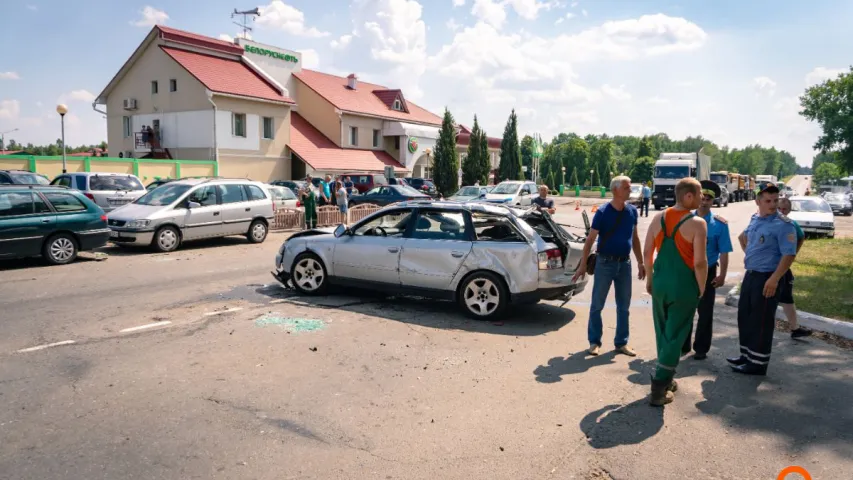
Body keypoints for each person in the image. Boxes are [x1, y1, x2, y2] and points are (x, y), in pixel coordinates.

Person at [643, 177, 708, 406]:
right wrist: (701, 288)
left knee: (662, 331)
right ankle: (659, 388)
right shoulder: (698, 223)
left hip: (661, 281)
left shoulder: (658, 217)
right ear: (688, 196)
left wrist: (650, 279)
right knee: (675, 334)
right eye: (700, 194)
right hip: (684, 284)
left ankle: (667, 378)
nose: (702, 199)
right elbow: (700, 262)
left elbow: (647, 251)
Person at [573, 175, 645, 357]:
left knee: (624, 306)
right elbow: (590, 240)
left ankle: (621, 343)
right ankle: (594, 342)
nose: (630, 191)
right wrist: (582, 265)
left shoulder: (632, 211)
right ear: (616, 190)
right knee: (597, 304)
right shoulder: (603, 212)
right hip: (605, 263)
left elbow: (634, 238)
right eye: (627, 188)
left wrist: (641, 262)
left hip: (625, 264)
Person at [729, 183, 797, 375]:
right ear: (757, 201)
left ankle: (757, 364)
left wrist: (775, 279)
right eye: (768, 200)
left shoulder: (783, 225)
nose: (773, 204)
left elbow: (789, 255)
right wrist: (751, 256)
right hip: (752, 275)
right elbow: (744, 238)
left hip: (768, 278)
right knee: (746, 317)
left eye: (775, 200)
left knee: (761, 321)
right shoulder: (755, 218)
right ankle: (746, 356)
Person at [682, 180, 732, 360]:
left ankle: (701, 348)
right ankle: (683, 345)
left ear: (713, 201)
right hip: (687, 271)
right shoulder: (686, 219)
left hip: (709, 272)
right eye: (702, 197)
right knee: (685, 309)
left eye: (709, 198)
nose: (704, 201)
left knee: (705, 312)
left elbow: (724, 252)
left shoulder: (720, 224)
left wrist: (722, 276)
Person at [777, 197, 812, 338]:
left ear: (789, 210)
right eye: (779, 208)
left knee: (787, 298)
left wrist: (794, 254)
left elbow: (801, 236)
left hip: (783, 267)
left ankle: (794, 328)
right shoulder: (766, 221)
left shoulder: (791, 224)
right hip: (766, 267)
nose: (781, 211)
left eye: (784, 209)